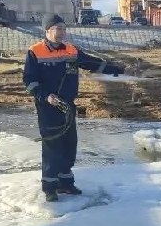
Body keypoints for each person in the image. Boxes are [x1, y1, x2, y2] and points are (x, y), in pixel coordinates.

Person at [23, 13, 124, 202]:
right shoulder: (35, 51)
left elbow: (93, 64)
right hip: (48, 107)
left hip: (68, 105)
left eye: (64, 28)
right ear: (47, 31)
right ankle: (50, 187)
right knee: (52, 147)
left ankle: (66, 183)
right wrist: (46, 96)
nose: (62, 32)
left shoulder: (71, 51)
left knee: (69, 145)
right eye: (58, 28)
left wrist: (119, 69)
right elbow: (30, 81)